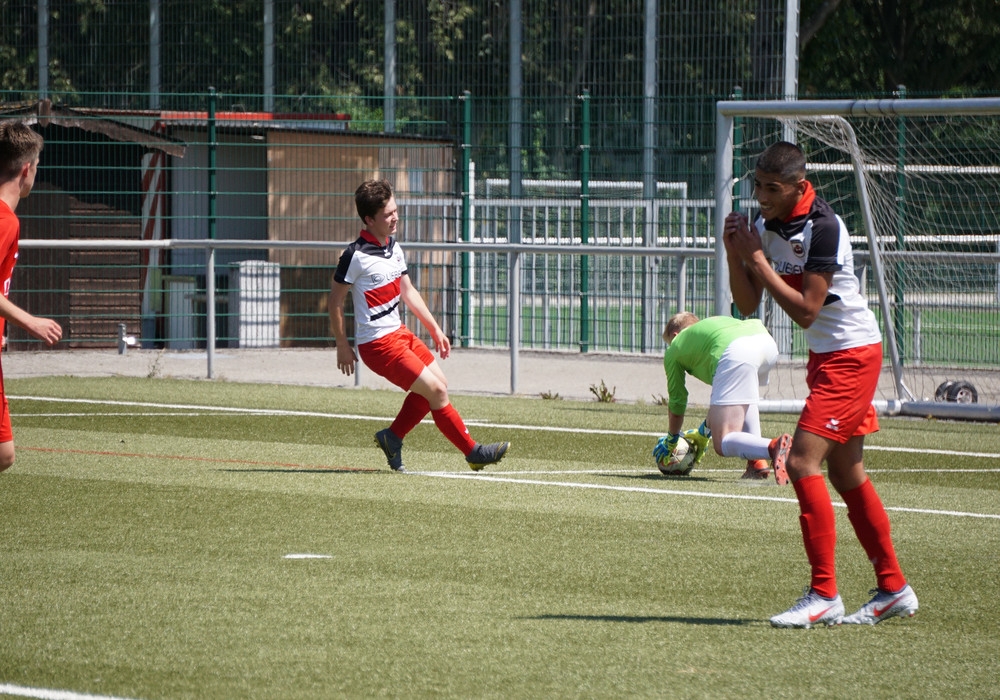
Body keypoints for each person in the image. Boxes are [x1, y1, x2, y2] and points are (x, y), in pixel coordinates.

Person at [724, 141, 918, 628]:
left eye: (773, 188)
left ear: (799, 186)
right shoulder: (767, 224)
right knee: (847, 474)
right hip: (828, 358)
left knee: (800, 461)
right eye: (757, 185)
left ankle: (824, 594)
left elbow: (808, 310)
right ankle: (893, 588)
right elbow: (747, 305)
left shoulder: (824, 226)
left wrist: (758, 260)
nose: (762, 196)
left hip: (853, 356)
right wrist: (734, 255)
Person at [329, 179, 509, 473]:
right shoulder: (355, 255)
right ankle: (473, 452)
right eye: (388, 214)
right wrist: (342, 344)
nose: (395, 217)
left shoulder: (394, 247)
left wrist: (435, 329)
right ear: (369, 220)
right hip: (377, 344)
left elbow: (408, 291)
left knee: (439, 385)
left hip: (400, 334)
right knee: (436, 391)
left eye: (395, 210)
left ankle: (392, 437)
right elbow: (335, 301)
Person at [653, 312, 792, 482]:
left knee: (723, 440)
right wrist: (704, 432)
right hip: (765, 342)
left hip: (736, 351)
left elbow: (677, 402)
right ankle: (756, 462)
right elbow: (724, 402)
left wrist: (672, 438)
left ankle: (774, 446)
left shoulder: (675, 346)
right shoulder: (711, 331)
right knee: (742, 398)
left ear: (674, 335)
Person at [0, 121, 64, 471]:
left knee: (3, 454)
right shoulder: (5, 220)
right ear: (26, 169)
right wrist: (30, 321)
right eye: (37, 167)